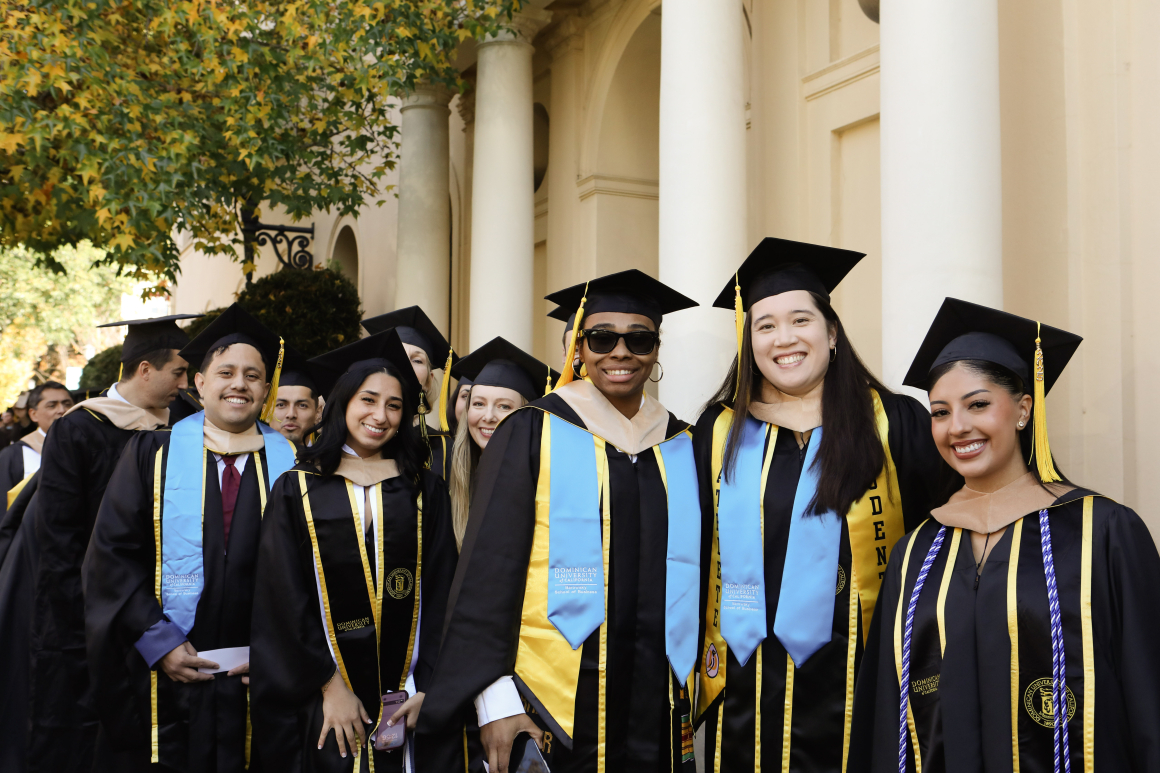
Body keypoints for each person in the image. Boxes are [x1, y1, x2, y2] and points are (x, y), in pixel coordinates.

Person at [849, 298, 1160, 773]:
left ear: (1022, 408)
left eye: (978, 404)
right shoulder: (918, 551)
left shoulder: (1103, 532)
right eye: (939, 412)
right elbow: (885, 714)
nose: (958, 427)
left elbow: (1148, 694)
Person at [421, 270, 703, 773]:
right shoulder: (532, 430)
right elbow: (487, 574)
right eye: (601, 337)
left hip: (654, 700)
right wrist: (495, 700)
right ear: (579, 346)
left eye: (639, 338)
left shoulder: (680, 443)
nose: (620, 352)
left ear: (656, 350)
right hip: (550, 703)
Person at [692, 239, 941, 771]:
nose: (785, 338)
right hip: (746, 688)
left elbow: (940, 543)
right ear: (749, 341)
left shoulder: (893, 422)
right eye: (765, 325)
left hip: (865, 678)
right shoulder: (718, 432)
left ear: (831, 333)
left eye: (800, 320)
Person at [83, 304, 298, 772]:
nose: (238, 384)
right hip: (166, 676)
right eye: (225, 372)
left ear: (266, 389)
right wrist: (157, 642)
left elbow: (316, 576)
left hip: (258, 679)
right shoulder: (149, 454)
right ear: (199, 384)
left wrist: (276, 654)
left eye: (252, 375)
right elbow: (112, 556)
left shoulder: (296, 469)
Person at [251, 329, 464, 771]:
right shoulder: (298, 487)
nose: (380, 415)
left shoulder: (425, 488)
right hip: (321, 695)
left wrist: (430, 686)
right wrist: (329, 686)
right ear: (342, 403)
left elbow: (445, 590)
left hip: (406, 693)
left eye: (394, 405)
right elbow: (281, 598)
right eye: (368, 400)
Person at [13, 314, 199, 773]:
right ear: (144, 370)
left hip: (165, 610)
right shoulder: (79, 429)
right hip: (89, 613)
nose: (185, 382)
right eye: (178, 372)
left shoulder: (189, 422)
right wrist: (86, 621)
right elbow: (59, 539)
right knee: (86, 733)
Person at [447, 337, 557, 547]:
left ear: (525, 414)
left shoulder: (544, 484)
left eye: (504, 407)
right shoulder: (453, 475)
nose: (488, 416)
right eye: (478, 403)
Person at [362, 307, 458, 480]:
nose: (405, 364)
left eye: (417, 360)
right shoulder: (358, 438)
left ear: (429, 381)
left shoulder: (444, 448)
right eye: (397, 354)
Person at [0, 381, 72, 498]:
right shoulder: (12, 455)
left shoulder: (90, 447)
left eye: (67, 404)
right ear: (33, 414)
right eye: (52, 405)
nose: (62, 410)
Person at [270, 350, 324, 446]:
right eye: (281, 405)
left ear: (318, 413)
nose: (291, 414)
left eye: (302, 405)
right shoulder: (246, 460)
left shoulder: (331, 460)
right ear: (266, 412)